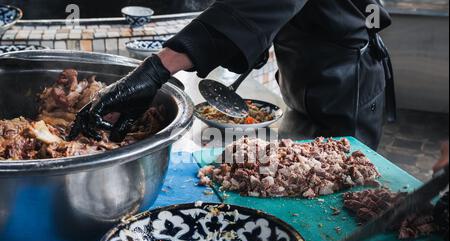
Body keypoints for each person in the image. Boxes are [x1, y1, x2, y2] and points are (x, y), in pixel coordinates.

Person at [69, 0, 396, 149]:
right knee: (302, 159)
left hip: (346, 79)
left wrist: (157, 67)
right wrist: (254, 38)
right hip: (305, 70)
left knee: (339, 174)